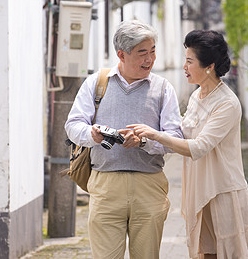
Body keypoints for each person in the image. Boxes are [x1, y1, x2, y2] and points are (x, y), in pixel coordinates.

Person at [128, 30, 248, 259]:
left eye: (189, 61)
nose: (184, 67)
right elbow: (181, 135)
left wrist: (155, 135)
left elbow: (198, 147)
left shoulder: (227, 103)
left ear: (209, 66)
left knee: (226, 253)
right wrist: (144, 138)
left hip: (221, 191)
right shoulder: (198, 96)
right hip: (199, 188)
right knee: (203, 252)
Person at [64, 19, 183, 259]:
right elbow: (73, 125)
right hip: (105, 185)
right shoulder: (97, 83)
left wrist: (144, 141)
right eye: (142, 53)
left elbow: (175, 138)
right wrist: (93, 135)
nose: (149, 59)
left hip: (149, 186)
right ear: (121, 54)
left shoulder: (163, 88)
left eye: (152, 52)